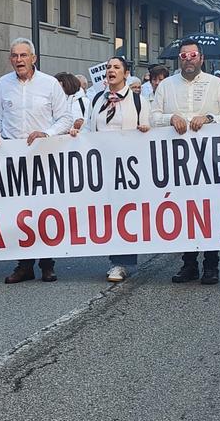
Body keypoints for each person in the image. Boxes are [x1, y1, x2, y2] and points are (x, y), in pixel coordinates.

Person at [0, 37, 72, 284]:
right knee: (18, 212)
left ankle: (47, 264)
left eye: (23, 55)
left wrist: (48, 133)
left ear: (33, 58)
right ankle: (24, 265)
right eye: (14, 56)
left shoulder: (50, 84)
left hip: (44, 156)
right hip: (13, 158)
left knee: (44, 211)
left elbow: (65, 118)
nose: (19, 60)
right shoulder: (2, 84)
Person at [151, 38, 220, 284]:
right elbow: (153, 116)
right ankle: (189, 264)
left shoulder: (216, 84)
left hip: (208, 161)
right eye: (184, 56)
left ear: (202, 58)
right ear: (179, 59)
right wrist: (170, 118)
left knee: (209, 212)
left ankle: (211, 264)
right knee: (185, 212)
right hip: (177, 162)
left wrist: (209, 118)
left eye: (193, 55)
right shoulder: (166, 85)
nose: (188, 60)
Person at [71, 57, 151, 282]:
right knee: (108, 211)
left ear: (126, 74)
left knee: (126, 210)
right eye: (108, 67)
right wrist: (79, 133)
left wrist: (145, 129)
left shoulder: (138, 101)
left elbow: (148, 127)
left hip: (128, 166)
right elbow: (90, 127)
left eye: (116, 67)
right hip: (103, 165)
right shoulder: (97, 98)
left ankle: (122, 262)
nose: (110, 71)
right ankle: (113, 258)